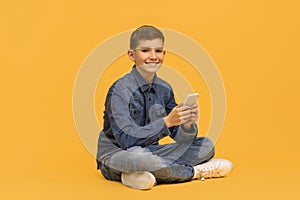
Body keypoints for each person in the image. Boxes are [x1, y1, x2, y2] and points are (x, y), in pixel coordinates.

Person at [96, 25, 233, 190]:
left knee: (206, 145)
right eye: (145, 51)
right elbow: (126, 140)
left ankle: (139, 175)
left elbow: (181, 138)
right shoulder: (119, 90)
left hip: (151, 151)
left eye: (158, 51)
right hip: (117, 154)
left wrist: (186, 123)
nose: (153, 57)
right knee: (139, 157)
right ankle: (194, 173)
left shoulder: (164, 88)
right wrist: (167, 122)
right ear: (132, 55)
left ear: (164, 54)